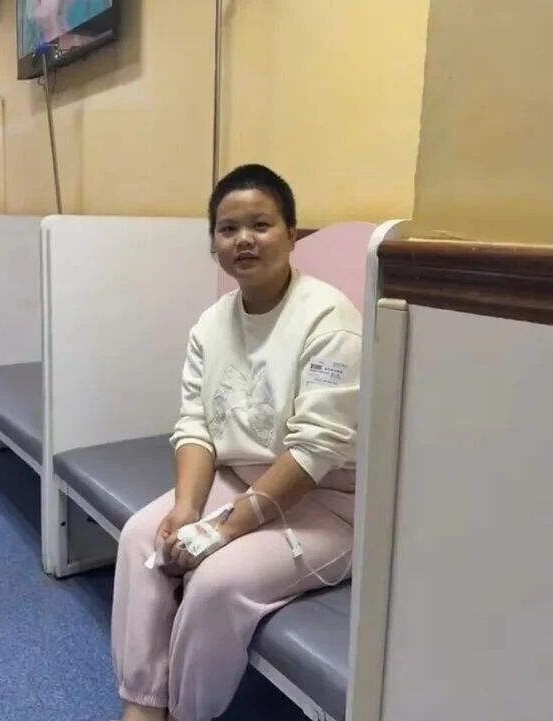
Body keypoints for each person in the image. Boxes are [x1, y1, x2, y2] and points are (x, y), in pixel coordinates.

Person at [111, 164, 361, 721]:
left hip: (328, 501)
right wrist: (187, 509)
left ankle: (188, 713)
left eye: (260, 225)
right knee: (141, 539)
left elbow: (315, 449)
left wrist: (223, 530)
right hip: (239, 480)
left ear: (292, 235)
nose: (244, 239)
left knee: (216, 580)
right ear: (214, 244)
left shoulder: (330, 318)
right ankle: (143, 707)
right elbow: (195, 425)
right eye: (228, 229)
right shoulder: (212, 323)